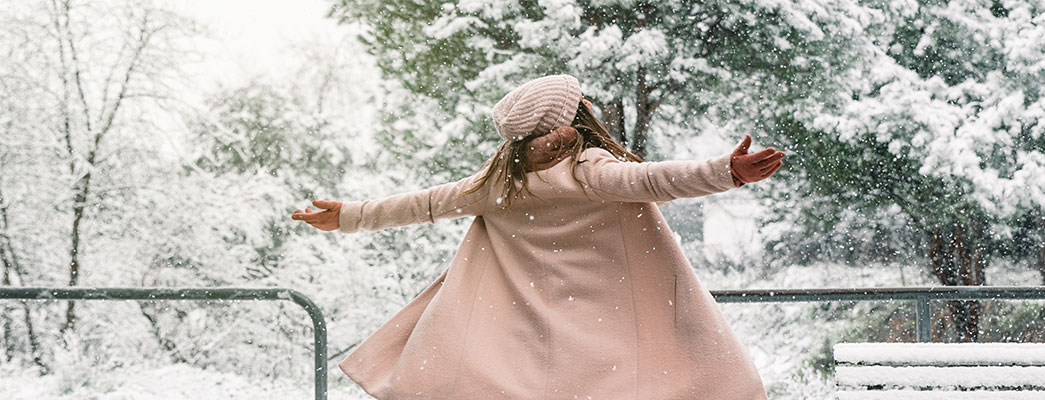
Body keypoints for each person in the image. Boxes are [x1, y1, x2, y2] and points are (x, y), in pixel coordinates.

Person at [292, 74, 784, 399]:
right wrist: (727, 172)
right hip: (609, 318)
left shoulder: (497, 185)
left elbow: (424, 204)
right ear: (576, 118)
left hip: (528, 329)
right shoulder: (592, 170)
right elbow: (654, 180)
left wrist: (351, 216)